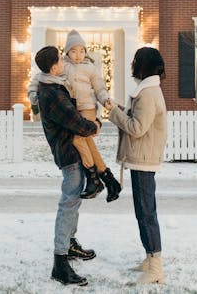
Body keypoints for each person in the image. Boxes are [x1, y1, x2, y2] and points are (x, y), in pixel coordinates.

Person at [34, 45, 102, 286]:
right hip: (67, 153)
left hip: (71, 150)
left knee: (73, 201)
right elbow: (72, 119)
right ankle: (60, 262)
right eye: (60, 61)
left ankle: (70, 245)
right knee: (68, 203)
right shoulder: (52, 92)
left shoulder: (55, 84)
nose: (65, 62)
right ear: (54, 67)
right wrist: (94, 127)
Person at [29, 30, 122, 202]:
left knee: (79, 140)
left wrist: (105, 100)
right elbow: (39, 77)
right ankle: (109, 179)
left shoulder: (91, 68)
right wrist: (32, 94)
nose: (78, 55)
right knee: (89, 145)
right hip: (72, 110)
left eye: (81, 51)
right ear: (67, 52)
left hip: (86, 108)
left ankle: (94, 178)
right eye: (73, 51)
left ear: (86, 51)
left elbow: (100, 89)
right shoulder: (62, 65)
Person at [106, 47, 168, 285]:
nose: (132, 64)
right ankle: (150, 258)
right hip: (142, 158)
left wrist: (114, 113)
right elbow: (138, 119)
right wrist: (120, 109)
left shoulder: (148, 93)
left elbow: (136, 128)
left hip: (144, 159)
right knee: (143, 211)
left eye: (134, 61)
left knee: (146, 212)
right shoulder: (148, 91)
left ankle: (156, 267)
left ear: (142, 65)